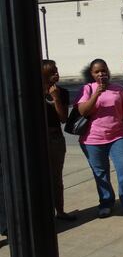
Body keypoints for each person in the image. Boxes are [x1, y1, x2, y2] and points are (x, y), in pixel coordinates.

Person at [75, 59, 123, 218]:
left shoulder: (119, 90)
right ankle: (106, 203)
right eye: (97, 72)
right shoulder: (87, 89)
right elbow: (83, 111)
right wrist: (97, 92)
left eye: (103, 70)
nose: (101, 74)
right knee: (101, 173)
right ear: (91, 74)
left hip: (118, 136)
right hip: (92, 140)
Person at [42, 60, 76, 220]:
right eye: (52, 72)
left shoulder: (62, 92)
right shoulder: (31, 91)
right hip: (38, 139)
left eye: (56, 70)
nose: (56, 73)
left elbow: (63, 118)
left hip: (55, 138)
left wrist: (55, 98)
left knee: (56, 177)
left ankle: (60, 211)